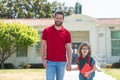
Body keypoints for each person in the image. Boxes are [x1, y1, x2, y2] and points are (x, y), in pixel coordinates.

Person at [40, 11, 72, 80]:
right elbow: (42, 45)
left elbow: (69, 49)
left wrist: (69, 63)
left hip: (62, 62)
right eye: (57, 18)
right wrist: (42, 59)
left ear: (63, 19)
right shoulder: (46, 30)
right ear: (54, 18)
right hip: (50, 62)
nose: (58, 20)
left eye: (60, 18)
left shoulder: (67, 33)